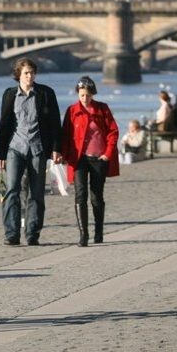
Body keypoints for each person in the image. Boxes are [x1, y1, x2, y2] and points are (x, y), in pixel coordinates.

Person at [0, 57, 62, 246]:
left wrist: (56, 149)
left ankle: (32, 233)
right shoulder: (9, 95)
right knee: (12, 190)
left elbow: (55, 123)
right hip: (14, 148)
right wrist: (1, 155)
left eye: (32, 72)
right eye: (26, 73)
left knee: (36, 193)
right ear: (19, 74)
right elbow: (4, 125)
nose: (30, 76)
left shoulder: (46, 93)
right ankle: (11, 233)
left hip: (38, 148)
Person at [61, 77, 119, 246]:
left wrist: (107, 154)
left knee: (96, 196)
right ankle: (83, 234)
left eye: (87, 95)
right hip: (78, 158)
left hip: (98, 158)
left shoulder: (102, 109)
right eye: (81, 95)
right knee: (80, 195)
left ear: (92, 94)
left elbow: (113, 132)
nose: (84, 99)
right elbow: (66, 135)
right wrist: (63, 154)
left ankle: (98, 232)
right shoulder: (72, 111)